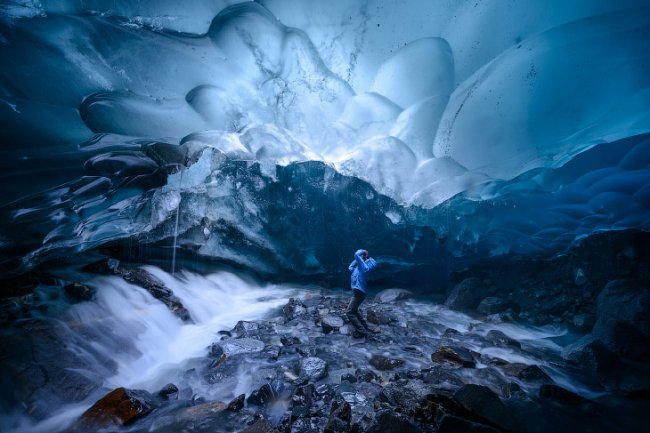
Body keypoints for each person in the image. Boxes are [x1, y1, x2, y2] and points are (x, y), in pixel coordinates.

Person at [346, 248, 378, 337]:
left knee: (349, 312)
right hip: (358, 292)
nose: (364, 258)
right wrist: (358, 258)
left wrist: (363, 251)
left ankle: (362, 331)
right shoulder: (358, 269)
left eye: (365, 258)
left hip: (360, 293)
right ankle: (365, 327)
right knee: (354, 310)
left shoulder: (363, 268)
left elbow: (356, 254)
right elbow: (350, 267)